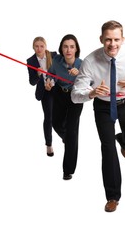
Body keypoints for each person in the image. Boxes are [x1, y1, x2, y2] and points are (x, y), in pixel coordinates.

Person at [71, 20, 125, 212]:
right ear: (101, 39)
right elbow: (75, 95)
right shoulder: (90, 61)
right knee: (107, 148)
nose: (113, 44)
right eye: (108, 40)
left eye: (116, 39)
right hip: (103, 106)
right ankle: (112, 196)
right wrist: (92, 93)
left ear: (123, 39)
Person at [45, 34, 83, 180]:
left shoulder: (82, 64)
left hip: (76, 96)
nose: (68, 50)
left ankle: (68, 170)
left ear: (76, 49)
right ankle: (68, 139)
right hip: (60, 94)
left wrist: (79, 75)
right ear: (61, 48)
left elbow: (91, 83)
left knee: (72, 131)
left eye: (72, 47)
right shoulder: (56, 61)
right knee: (55, 123)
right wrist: (49, 81)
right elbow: (51, 74)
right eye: (65, 46)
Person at [27, 37, 57, 157]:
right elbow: (32, 82)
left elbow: (58, 73)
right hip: (45, 93)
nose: (39, 49)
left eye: (41, 46)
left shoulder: (54, 55)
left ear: (45, 46)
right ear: (33, 47)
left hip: (57, 89)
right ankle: (49, 144)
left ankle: (65, 136)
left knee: (62, 115)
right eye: (36, 46)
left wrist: (51, 81)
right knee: (49, 117)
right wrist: (38, 75)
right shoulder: (31, 61)